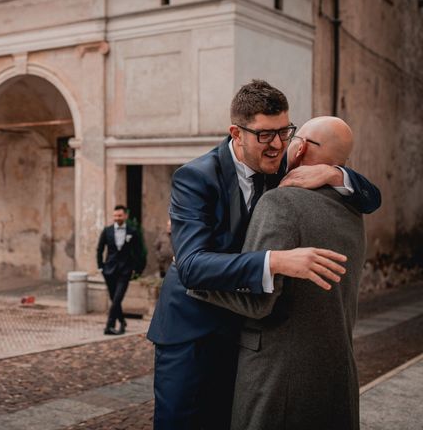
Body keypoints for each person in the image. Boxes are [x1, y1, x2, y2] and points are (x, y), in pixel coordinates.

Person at [146, 80, 381, 430]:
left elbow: (370, 198)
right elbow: (192, 267)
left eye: (285, 132)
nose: (278, 145)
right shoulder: (195, 177)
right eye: (265, 135)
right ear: (236, 133)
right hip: (192, 334)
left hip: (245, 335)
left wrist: (335, 172)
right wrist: (277, 261)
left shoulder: (281, 165)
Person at [189, 116, 365, 430]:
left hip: (276, 375)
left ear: (301, 149)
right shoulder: (352, 209)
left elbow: (259, 301)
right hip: (335, 372)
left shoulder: (279, 202)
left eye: (291, 137)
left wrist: (196, 278)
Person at [96, 205, 145, 335]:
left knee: (117, 298)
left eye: (119, 215)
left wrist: (137, 269)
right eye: (115, 216)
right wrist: (101, 267)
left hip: (125, 271)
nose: (117, 218)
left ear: (125, 216)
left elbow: (139, 251)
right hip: (109, 270)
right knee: (114, 299)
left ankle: (109, 326)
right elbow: (99, 249)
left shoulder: (132, 231)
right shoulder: (107, 231)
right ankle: (122, 321)